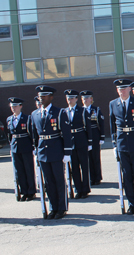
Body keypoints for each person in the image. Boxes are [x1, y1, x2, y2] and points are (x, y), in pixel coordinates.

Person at [31, 85, 72, 219]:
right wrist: (36, 150)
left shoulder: (59, 112)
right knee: (48, 182)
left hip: (56, 150)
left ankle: (62, 208)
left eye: (44, 96)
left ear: (51, 97)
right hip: (43, 152)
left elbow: (66, 134)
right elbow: (34, 135)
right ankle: (53, 207)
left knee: (59, 181)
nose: (41, 99)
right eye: (39, 96)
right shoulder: (35, 114)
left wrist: (67, 153)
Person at [109, 79, 134, 214]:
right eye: (120, 89)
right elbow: (112, 125)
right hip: (122, 143)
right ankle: (131, 203)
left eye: (124, 89)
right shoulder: (113, 104)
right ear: (117, 90)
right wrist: (114, 145)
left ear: (130, 90)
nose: (122, 91)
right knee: (127, 176)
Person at [7, 97, 36, 201]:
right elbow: (9, 135)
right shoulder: (9, 119)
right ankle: (23, 191)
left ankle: (31, 192)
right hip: (15, 147)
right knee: (19, 171)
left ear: (20, 106)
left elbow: (31, 134)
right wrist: (11, 145)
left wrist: (33, 146)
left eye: (15, 106)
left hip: (26, 146)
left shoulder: (27, 118)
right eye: (12, 107)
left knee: (28, 169)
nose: (13, 108)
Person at [64, 89, 92, 199]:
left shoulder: (82, 111)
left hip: (81, 140)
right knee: (74, 167)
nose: (69, 100)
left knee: (84, 166)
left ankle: (85, 189)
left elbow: (88, 127)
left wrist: (89, 142)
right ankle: (78, 189)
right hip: (70, 142)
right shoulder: (64, 112)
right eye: (68, 98)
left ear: (76, 99)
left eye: (71, 98)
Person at [80, 90, 105, 185]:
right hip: (84, 135)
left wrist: (102, 137)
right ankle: (91, 177)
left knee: (95, 157)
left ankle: (97, 177)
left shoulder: (96, 110)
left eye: (87, 98)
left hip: (94, 134)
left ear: (91, 99)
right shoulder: (80, 110)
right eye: (83, 98)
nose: (85, 100)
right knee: (87, 158)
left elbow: (101, 124)